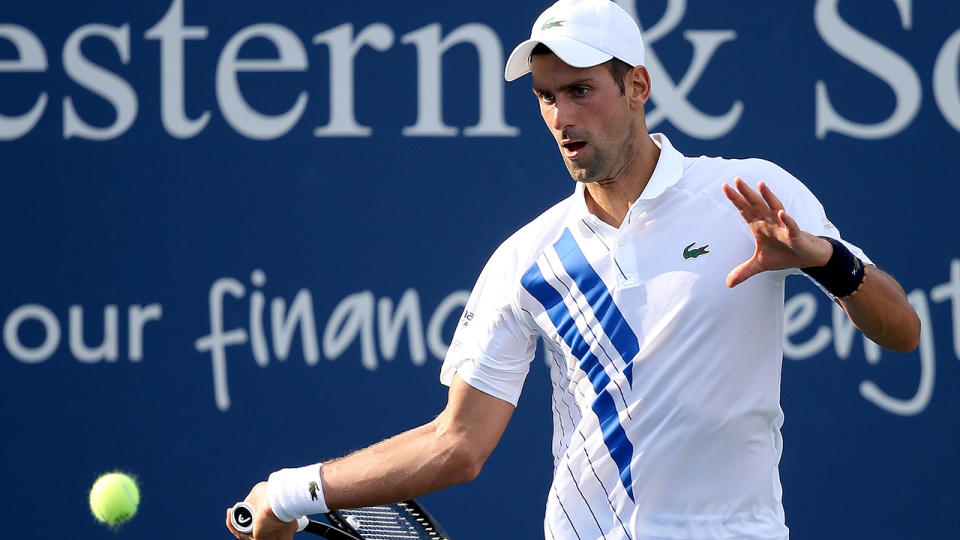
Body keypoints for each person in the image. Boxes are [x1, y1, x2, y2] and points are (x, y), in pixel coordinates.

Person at [226, 1, 920, 538]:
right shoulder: (525, 260)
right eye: (546, 95)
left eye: (581, 90)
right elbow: (457, 446)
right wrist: (292, 489)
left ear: (638, 86)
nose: (561, 115)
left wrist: (829, 263)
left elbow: (903, 332)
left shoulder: (749, 194)